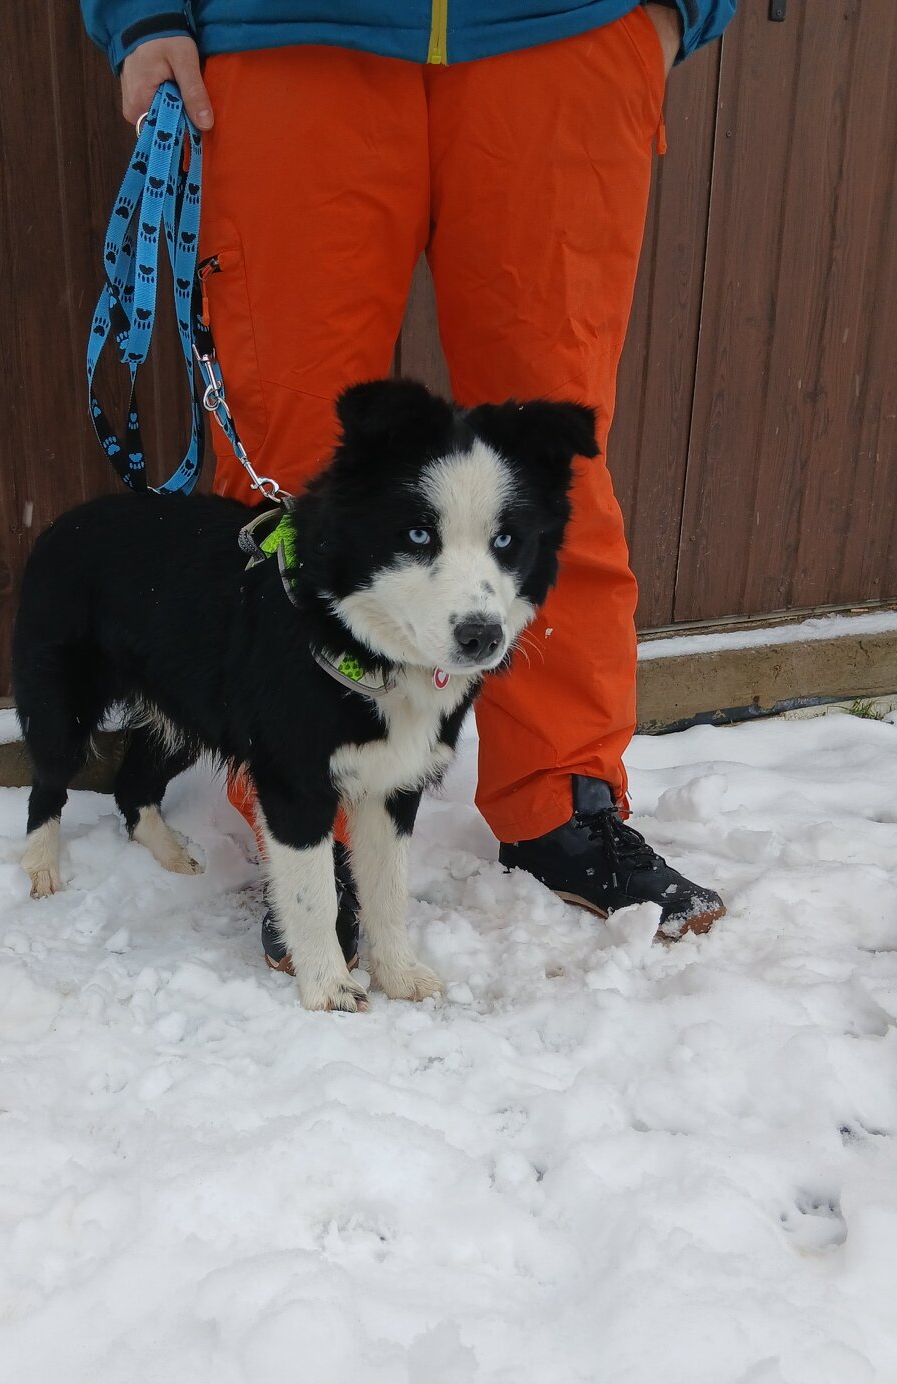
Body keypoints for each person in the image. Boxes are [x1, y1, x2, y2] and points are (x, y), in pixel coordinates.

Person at [81, 0, 735, 965]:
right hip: (285, 35)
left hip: (566, 32)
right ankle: (313, 822)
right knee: (299, 473)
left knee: (547, 474)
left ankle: (563, 799)